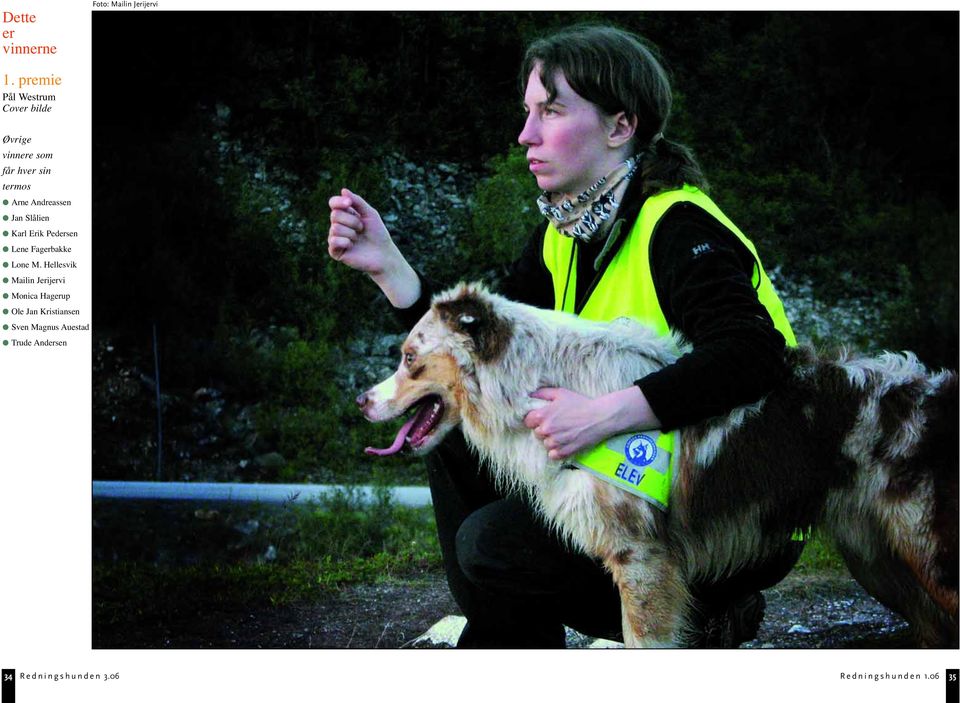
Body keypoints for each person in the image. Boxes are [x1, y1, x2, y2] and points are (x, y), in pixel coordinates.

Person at [327, 24, 802, 648]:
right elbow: (475, 353)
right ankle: (509, 640)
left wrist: (604, 414)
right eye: (528, 113)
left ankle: (708, 615)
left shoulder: (676, 223)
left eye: (550, 111)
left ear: (619, 126)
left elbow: (757, 355)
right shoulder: (562, 234)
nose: (526, 134)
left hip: (729, 507)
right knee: (453, 424)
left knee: (492, 543)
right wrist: (391, 271)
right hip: (625, 483)